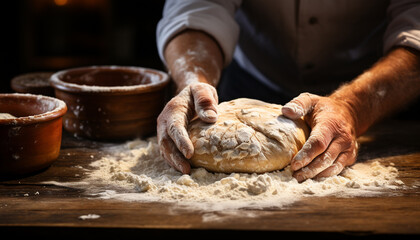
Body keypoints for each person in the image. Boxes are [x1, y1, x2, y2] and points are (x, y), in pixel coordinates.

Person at [155, 0, 420, 182]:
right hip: (249, 81)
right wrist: (193, 78)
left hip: (378, 86)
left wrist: (353, 107)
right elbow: (198, 7)